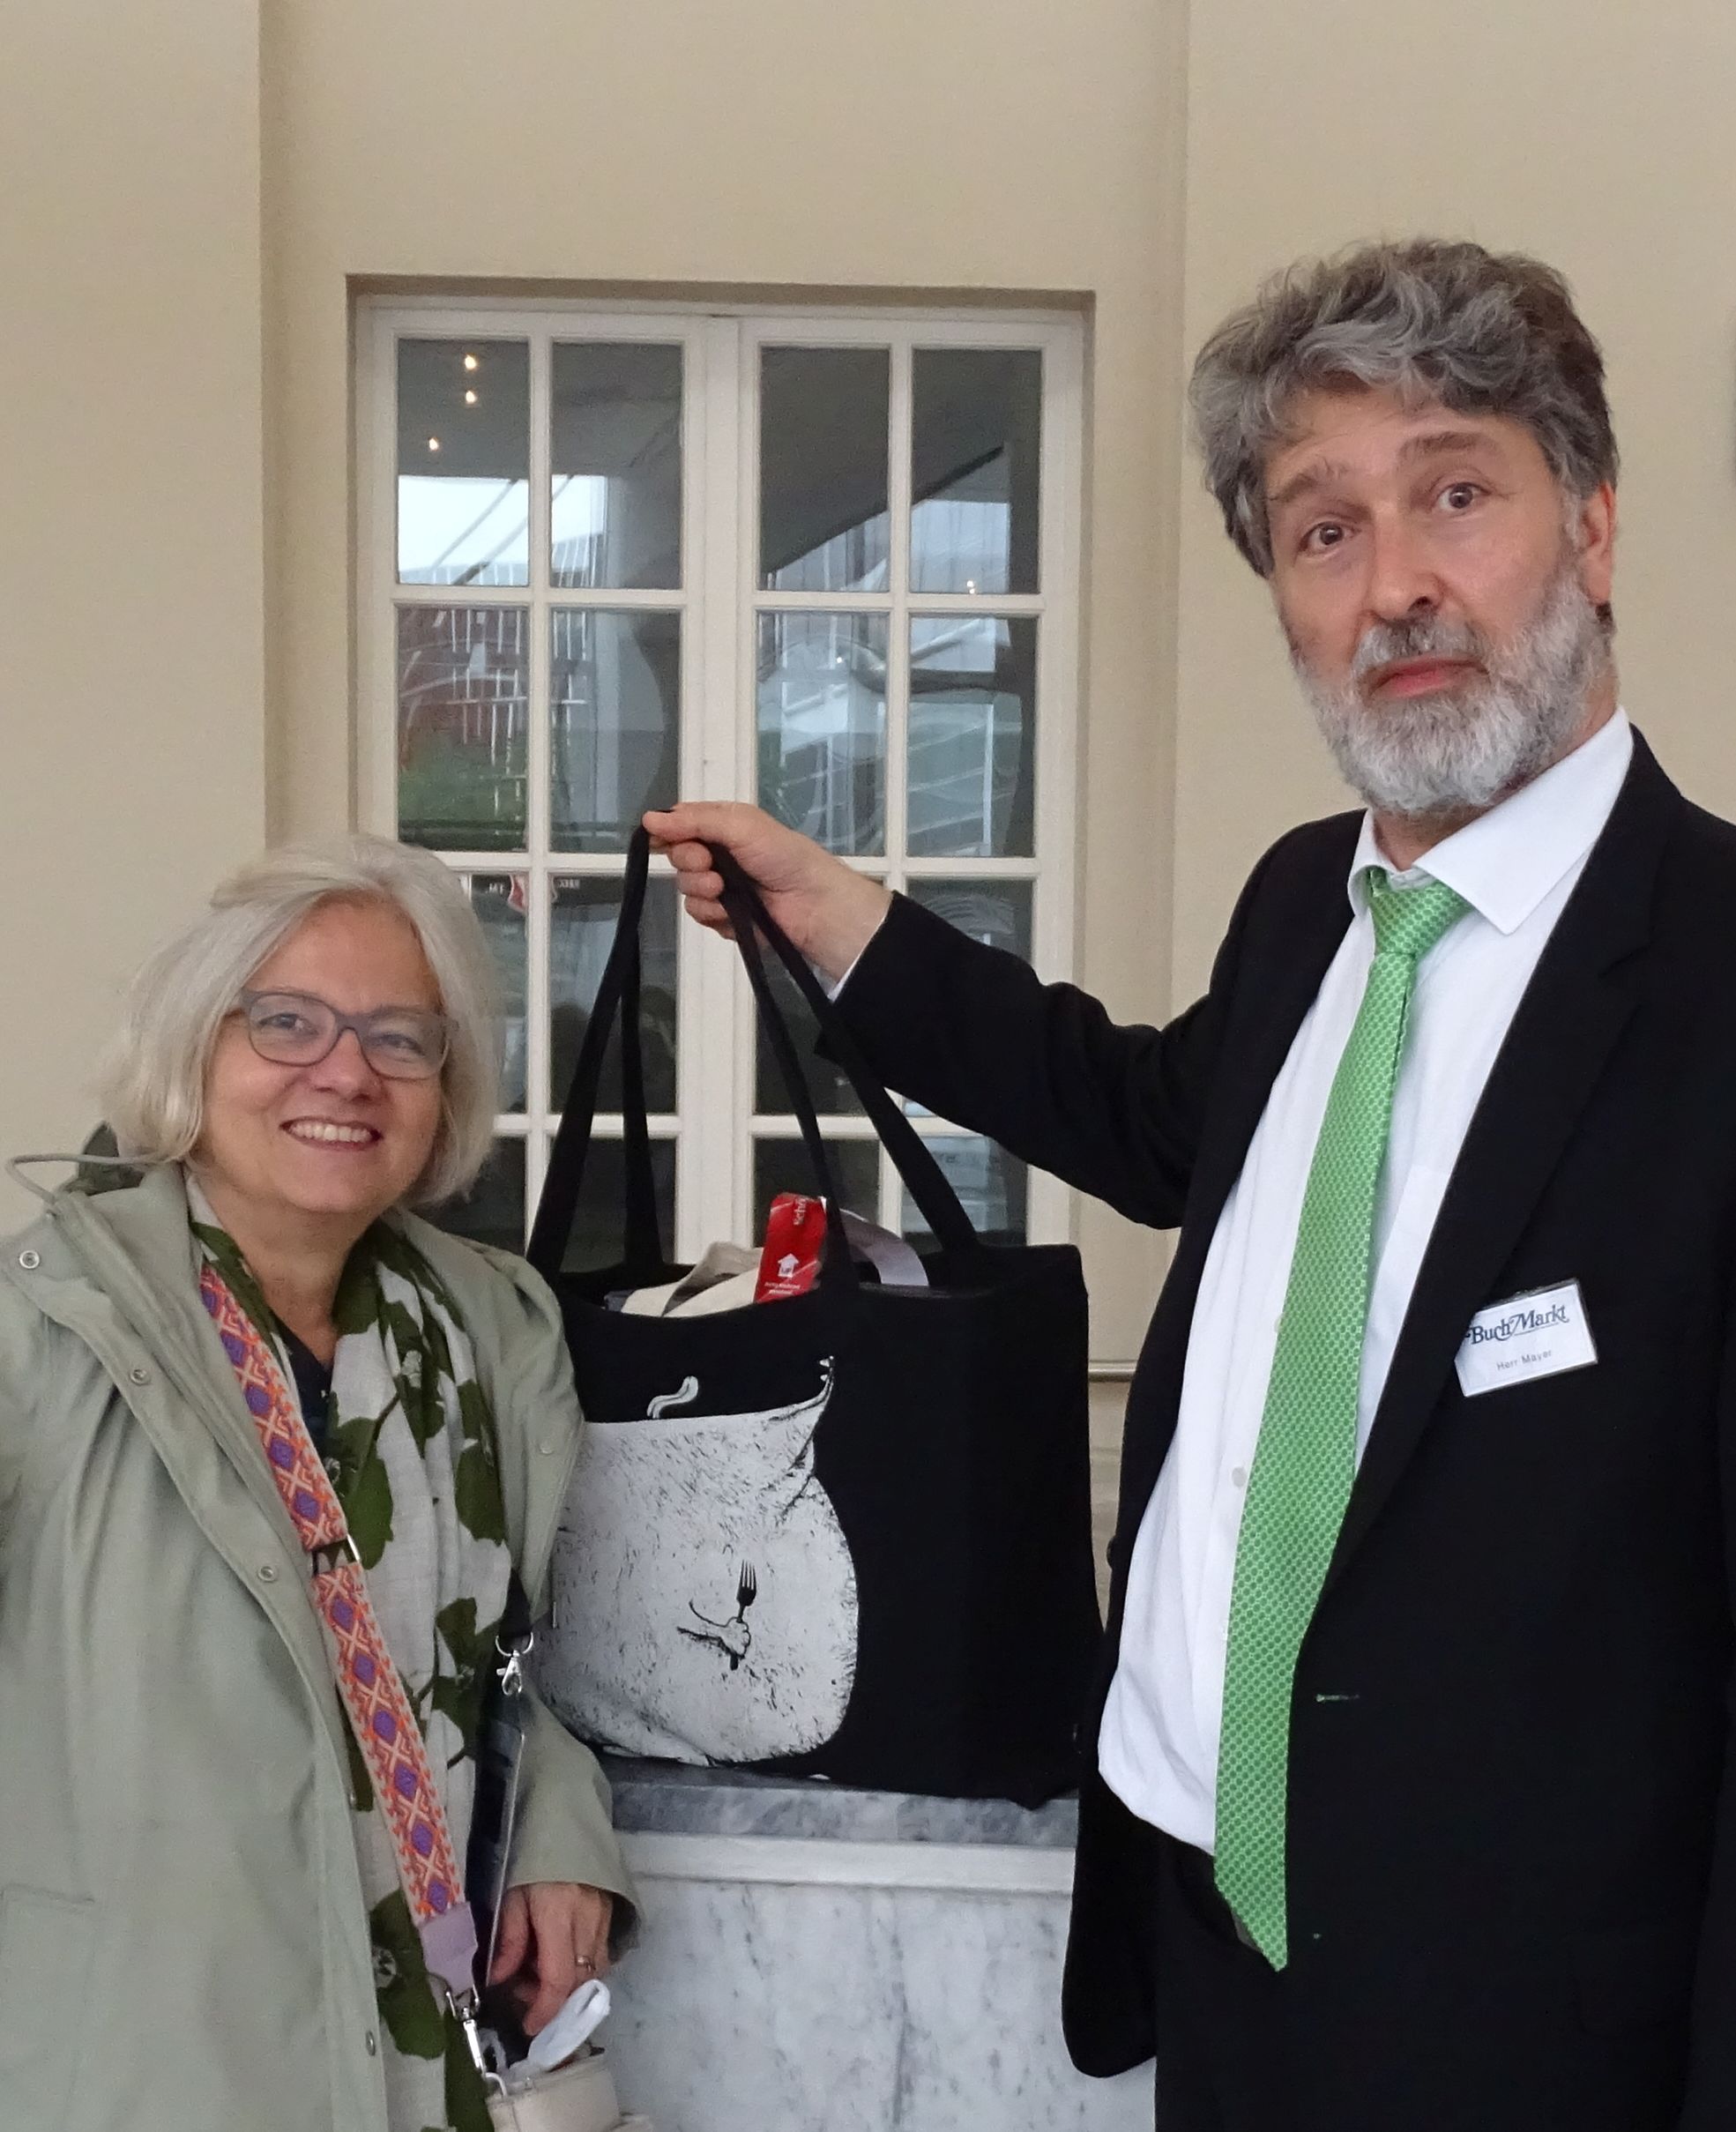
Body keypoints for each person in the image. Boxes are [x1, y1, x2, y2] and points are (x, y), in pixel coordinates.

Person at [648, 238, 1736, 2130]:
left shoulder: (1715, 968)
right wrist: (841, 924)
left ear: (1591, 525)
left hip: (1542, 2021)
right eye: (1322, 531)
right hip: (1212, 1924)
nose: (1391, 584)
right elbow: (1147, 1115)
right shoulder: (1309, 905)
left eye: (1454, 495)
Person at [0, 836, 635, 2132]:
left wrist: (557, 1821)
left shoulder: (491, 1330)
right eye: (286, 1021)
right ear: (196, 1046)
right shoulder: (45, 1328)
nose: (346, 1071)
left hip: (429, 2055)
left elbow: (510, 1661)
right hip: (149, 2059)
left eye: (402, 1037)